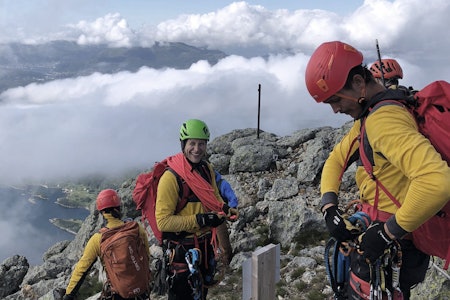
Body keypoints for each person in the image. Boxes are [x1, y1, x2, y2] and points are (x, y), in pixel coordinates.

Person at [304, 41, 450, 299]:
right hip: (385, 235)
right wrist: (329, 207)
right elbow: (335, 161)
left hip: (394, 244)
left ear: (359, 82)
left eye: (335, 99)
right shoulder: (370, 116)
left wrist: (386, 233)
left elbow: (437, 181)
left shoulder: (383, 121)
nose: (335, 109)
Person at [155, 118, 239, 300]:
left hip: (204, 247)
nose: (197, 149)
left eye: (201, 144)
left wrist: (225, 209)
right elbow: (163, 222)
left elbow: (213, 196)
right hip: (182, 252)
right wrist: (201, 220)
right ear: (183, 144)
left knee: (201, 294)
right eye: (192, 143)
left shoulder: (206, 169)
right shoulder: (170, 178)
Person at [63, 189, 150, 300]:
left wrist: (68, 295)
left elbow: (81, 269)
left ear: (102, 213)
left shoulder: (98, 239)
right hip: (142, 290)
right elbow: (147, 255)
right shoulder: (136, 228)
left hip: (119, 294)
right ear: (119, 208)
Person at [214, 170, 239, 265]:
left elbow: (232, 198)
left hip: (220, 217)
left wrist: (231, 210)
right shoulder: (204, 186)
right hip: (208, 217)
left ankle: (227, 260)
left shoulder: (222, 184)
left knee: (222, 239)